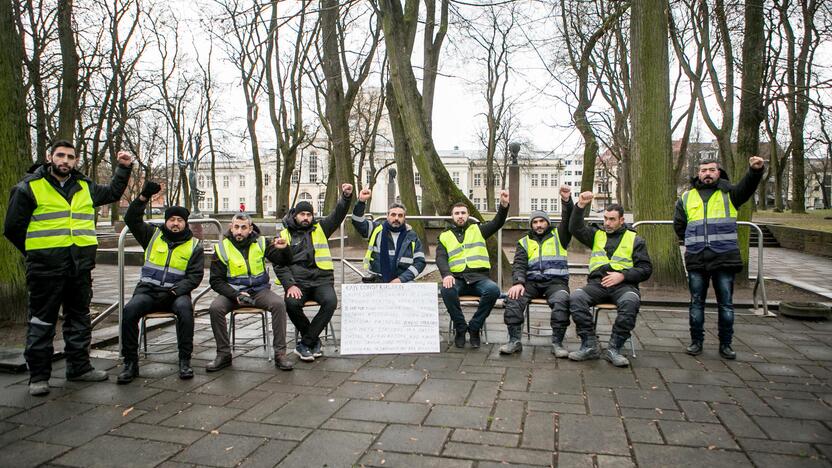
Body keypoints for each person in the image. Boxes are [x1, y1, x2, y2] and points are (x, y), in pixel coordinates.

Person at [4, 140, 132, 396]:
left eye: (70, 157)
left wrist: (123, 168)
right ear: (49, 157)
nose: (65, 160)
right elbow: (13, 228)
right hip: (45, 270)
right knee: (42, 321)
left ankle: (79, 368)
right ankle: (39, 376)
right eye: (60, 155)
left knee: (79, 319)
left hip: (80, 268)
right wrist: (37, 253)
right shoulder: (28, 187)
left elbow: (112, 193)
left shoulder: (84, 186)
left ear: (75, 161)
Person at [674, 156, 765, 360]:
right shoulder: (687, 197)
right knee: (696, 302)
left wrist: (755, 171)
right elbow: (679, 225)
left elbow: (747, 187)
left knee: (726, 303)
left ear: (718, 172)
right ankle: (696, 342)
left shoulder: (729, 193)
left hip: (724, 256)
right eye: (703, 169)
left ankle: (726, 344)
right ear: (698, 173)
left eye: (711, 170)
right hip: (697, 257)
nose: (707, 173)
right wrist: (692, 240)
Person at [117, 182, 204, 384]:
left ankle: (184, 360)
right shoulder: (152, 236)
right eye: (172, 219)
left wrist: (175, 292)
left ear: (186, 223)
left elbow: (194, 276)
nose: (175, 223)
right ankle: (130, 363)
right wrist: (144, 196)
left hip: (175, 294)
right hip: (147, 292)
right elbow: (130, 218)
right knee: (129, 311)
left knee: (185, 311)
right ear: (166, 222)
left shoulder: (194, 246)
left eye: (179, 220)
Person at [567, 192, 652, 367]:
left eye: (612, 219)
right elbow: (574, 228)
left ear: (622, 220)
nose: (607, 223)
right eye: (605, 218)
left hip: (624, 286)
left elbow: (645, 269)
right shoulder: (596, 234)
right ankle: (590, 344)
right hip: (597, 284)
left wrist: (623, 275)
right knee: (576, 298)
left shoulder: (635, 239)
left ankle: (614, 348)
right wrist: (580, 205)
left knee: (630, 302)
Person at [207, 213, 294, 371]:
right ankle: (224, 354)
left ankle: (280, 354)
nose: (239, 231)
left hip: (259, 291)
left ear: (250, 228)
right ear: (231, 228)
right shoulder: (222, 248)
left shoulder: (261, 242)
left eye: (243, 227)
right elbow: (215, 281)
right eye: (236, 227)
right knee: (215, 308)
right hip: (233, 293)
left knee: (279, 304)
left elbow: (284, 261)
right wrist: (236, 295)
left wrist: (285, 249)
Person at [275, 183, 353, 361]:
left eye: (309, 214)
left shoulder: (320, 229)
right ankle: (313, 342)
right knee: (291, 303)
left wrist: (346, 197)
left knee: (331, 301)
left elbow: (337, 215)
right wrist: (290, 285)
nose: (305, 217)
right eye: (302, 214)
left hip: (321, 281)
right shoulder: (284, 235)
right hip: (298, 282)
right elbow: (279, 264)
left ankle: (305, 343)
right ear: (295, 215)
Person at [500, 186, 574, 355]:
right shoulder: (524, 242)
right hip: (531, 282)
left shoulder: (560, 236)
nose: (539, 225)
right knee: (513, 297)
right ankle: (514, 340)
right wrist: (518, 282)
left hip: (556, 283)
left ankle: (557, 343)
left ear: (548, 222)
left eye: (542, 221)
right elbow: (519, 264)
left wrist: (566, 201)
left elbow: (569, 219)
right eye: (535, 222)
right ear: (531, 225)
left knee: (562, 301)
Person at [438, 191, 510, 349]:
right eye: (457, 213)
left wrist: (504, 206)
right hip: (457, 279)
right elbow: (441, 258)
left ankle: (475, 327)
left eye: (463, 213)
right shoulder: (444, 236)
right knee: (446, 290)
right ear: (452, 216)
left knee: (493, 290)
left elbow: (497, 222)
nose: (460, 216)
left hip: (479, 279)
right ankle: (461, 328)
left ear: (468, 215)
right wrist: (446, 275)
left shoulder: (478, 230)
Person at [351, 188, 426, 283]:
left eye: (400, 216)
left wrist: (401, 279)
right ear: (387, 216)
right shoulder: (375, 230)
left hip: (403, 281)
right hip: (377, 279)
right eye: (393, 215)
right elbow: (357, 221)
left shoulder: (412, 236)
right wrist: (361, 201)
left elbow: (420, 262)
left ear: (404, 218)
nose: (396, 218)